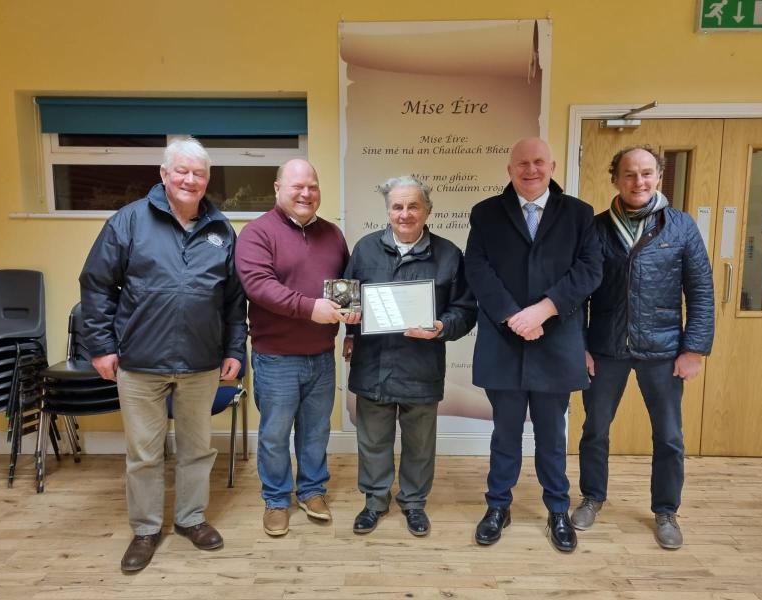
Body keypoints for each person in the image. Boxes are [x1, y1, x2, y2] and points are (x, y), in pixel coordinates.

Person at [79, 137, 248, 573]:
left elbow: (233, 300)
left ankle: (191, 519)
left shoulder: (221, 230)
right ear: (164, 174)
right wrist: (100, 347)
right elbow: (97, 286)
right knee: (145, 454)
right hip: (139, 362)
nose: (191, 180)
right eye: (182, 171)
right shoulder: (129, 221)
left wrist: (234, 349)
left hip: (202, 362)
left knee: (196, 449)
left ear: (208, 179)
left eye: (199, 173)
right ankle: (146, 529)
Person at [572, 145, 714, 550]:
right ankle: (591, 498)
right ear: (615, 178)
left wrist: (695, 349)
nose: (639, 182)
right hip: (605, 348)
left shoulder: (681, 227)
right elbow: (578, 295)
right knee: (595, 430)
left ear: (659, 176)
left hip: (665, 350)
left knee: (669, 436)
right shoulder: (595, 229)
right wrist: (580, 347)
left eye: (647, 174)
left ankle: (666, 511)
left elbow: (701, 292)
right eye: (630, 174)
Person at [464, 137, 602, 552]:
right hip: (504, 340)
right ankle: (498, 507)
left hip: (556, 340)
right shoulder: (485, 214)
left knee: (551, 434)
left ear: (552, 166)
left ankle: (557, 510)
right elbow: (477, 268)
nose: (531, 169)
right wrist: (513, 315)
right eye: (522, 162)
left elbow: (590, 270)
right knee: (504, 434)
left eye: (539, 162)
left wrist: (543, 310)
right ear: (509, 169)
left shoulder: (579, 214)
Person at [343, 176, 477, 536]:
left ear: (427, 210)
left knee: (419, 444)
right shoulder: (365, 249)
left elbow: (465, 309)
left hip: (421, 365)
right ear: (388, 211)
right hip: (373, 363)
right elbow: (348, 300)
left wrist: (443, 326)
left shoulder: (449, 254)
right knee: (372, 439)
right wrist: (349, 329)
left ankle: (415, 503)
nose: (405, 214)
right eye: (397, 206)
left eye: (413, 206)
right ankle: (374, 501)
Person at [235, 159, 358, 537]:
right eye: (297, 186)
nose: (306, 193)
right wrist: (309, 309)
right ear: (277, 188)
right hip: (276, 358)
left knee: (316, 430)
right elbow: (258, 285)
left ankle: (312, 490)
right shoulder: (257, 234)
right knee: (274, 434)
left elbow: (347, 287)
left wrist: (352, 329)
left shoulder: (334, 235)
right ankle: (275, 499)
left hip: (322, 355)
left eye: (313, 187)